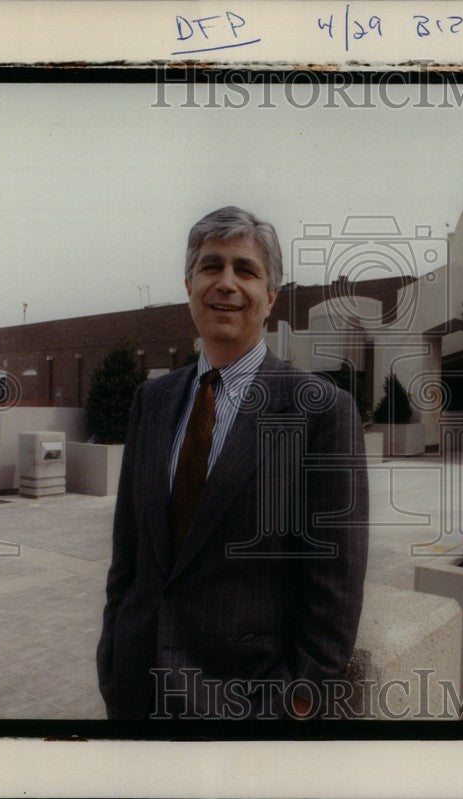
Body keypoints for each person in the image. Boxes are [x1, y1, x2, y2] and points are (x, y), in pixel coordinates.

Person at [96, 206, 368, 720]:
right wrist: (112, 656)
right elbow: (127, 555)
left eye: (245, 269)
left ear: (270, 298)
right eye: (210, 266)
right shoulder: (150, 402)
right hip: (134, 692)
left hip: (244, 706)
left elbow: (336, 583)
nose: (225, 283)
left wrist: (298, 701)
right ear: (188, 283)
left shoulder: (321, 412)